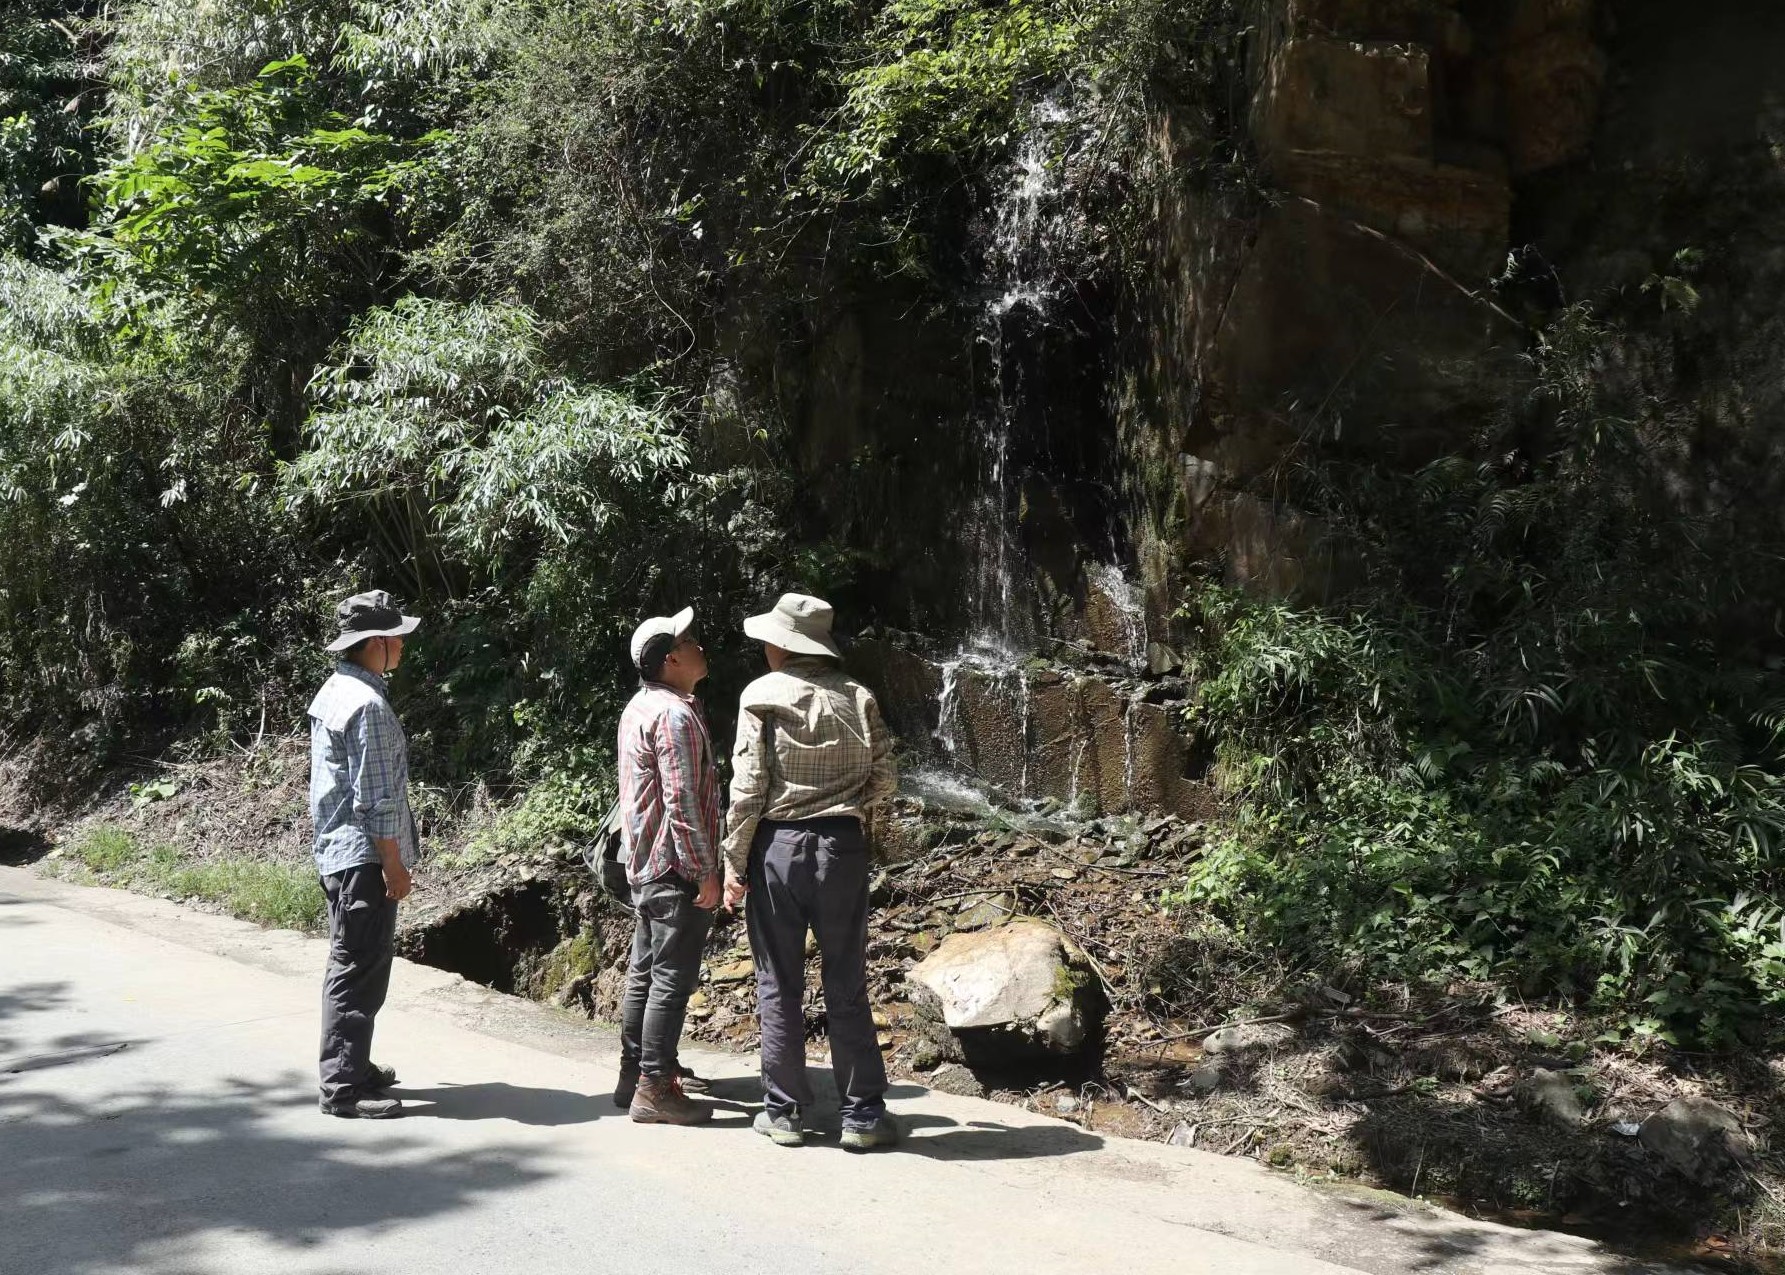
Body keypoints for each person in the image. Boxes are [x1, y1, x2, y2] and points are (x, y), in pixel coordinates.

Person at [723, 593, 899, 1151]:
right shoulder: (859, 696)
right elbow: (885, 778)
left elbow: (749, 787)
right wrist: (852, 811)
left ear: (781, 644)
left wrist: (733, 861)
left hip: (777, 846)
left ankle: (783, 1112)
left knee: (778, 981)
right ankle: (862, 1116)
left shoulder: (761, 695)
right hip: (842, 847)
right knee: (847, 980)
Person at [308, 589, 421, 1119]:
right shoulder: (368, 705)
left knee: (357, 963)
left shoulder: (336, 689)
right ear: (377, 643)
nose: (403, 646)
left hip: (340, 851)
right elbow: (373, 798)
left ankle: (352, 1064)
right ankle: (343, 1088)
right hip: (363, 857)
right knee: (357, 969)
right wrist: (393, 865)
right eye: (398, 637)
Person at [614, 605, 723, 1125]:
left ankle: (633, 1074)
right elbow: (681, 800)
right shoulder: (674, 716)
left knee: (645, 974)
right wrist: (704, 869)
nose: (700, 646)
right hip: (674, 865)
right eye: (690, 641)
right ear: (672, 659)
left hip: (646, 861)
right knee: (671, 980)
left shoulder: (640, 706)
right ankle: (655, 1088)